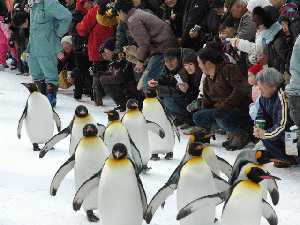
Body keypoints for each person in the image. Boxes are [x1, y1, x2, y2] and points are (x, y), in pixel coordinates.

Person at [12, 0, 72, 107]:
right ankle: (40, 96)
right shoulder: (33, 4)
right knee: (34, 71)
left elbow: (66, 16)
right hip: (34, 46)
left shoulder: (49, 3)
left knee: (50, 73)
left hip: (47, 46)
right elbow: (34, 28)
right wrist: (29, 48)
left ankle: (51, 96)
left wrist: (57, 33)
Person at [193, 46, 252, 150]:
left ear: (208, 63)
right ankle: (231, 132)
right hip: (221, 111)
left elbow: (240, 90)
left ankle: (242, 133)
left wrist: (223, 108)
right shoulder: (207, 79)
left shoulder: (229, 69)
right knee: (198, 116)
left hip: (239, 109)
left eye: (199, 63)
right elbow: (207, 101)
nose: (199, 66)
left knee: (220, 116)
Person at [114, 0, 176, 90]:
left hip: (162, 49)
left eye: (118, 13)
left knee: (148, 81)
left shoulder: (133, 20)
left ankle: (156, 103)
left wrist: (140, 61)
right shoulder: (137, 13)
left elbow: (144, 43)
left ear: (121, 11)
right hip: (164, 45)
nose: (119, 16)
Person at [254, 67, 298, 167]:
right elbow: (260, 115)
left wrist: (265, 134)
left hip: (291, 132)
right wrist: (258, 128)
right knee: (264, 133)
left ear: (273, 86)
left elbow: (283, 125)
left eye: (261, 87)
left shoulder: (283, 95)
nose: (259, 89)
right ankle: (285, 158)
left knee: (288, 135)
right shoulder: (264, 97)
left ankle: (293, 157)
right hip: (280, 132)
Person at [76, 0, 117, 106]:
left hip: (97, 46)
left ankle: (97, 97)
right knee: (114, 70)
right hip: (113, 45)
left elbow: (83, 29)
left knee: (97, 72)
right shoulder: (113, 8)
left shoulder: (95, 10)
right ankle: (116, 96)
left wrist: (77, 26)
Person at [148, 48, 192, 126]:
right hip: (178, 98)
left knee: (168, 100)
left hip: (187, 100)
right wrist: (153, 84)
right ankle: (179, 118)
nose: (169, 63)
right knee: (162, 98)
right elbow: (161, 80)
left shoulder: (182, 70)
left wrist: (159, 88)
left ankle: (187, 118)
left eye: (172, 60)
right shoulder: (166, 69)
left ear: (177, 59)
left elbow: (180, 91)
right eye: (166, 61)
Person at [99, 38, 139, 111]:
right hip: (128, 86)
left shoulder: (121, 59)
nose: (106, 54)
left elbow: (119, 78)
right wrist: (100, 73)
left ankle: (123, 103)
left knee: (105, 81)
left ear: (112, 50)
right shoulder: (115, 60)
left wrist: (102, 78)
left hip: (131, 87)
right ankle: (122, 103)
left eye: (107, 52)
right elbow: (113, 73)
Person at [286, 35, 300, 156]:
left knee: (293, 127)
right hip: (297, 93)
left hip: (294, 92)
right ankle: (290, 155)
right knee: (293, 127)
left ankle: (290, 155)